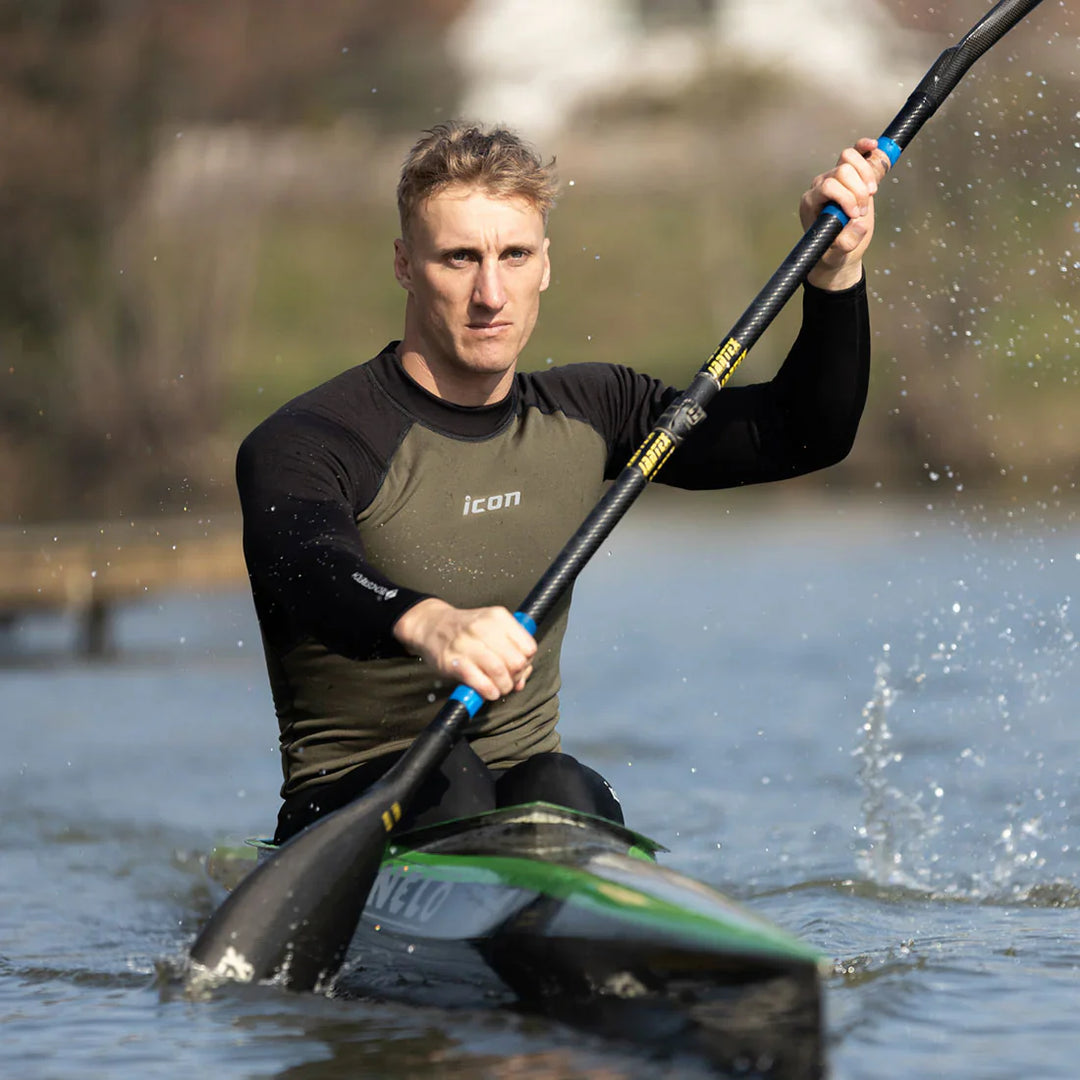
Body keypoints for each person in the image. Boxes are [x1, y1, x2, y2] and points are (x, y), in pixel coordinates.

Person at [237, 121, 886, 845]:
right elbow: (306, 563)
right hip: (349, 808)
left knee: (570, 788)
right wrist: (431, 623)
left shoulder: (591, 410)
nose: (491, 293)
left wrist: (835, 273)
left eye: (514, 255)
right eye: (459, 258)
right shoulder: (311, 439)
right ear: (404, 265)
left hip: (527, 797)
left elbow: (803, 434)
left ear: (545, 264)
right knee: (452, 781)